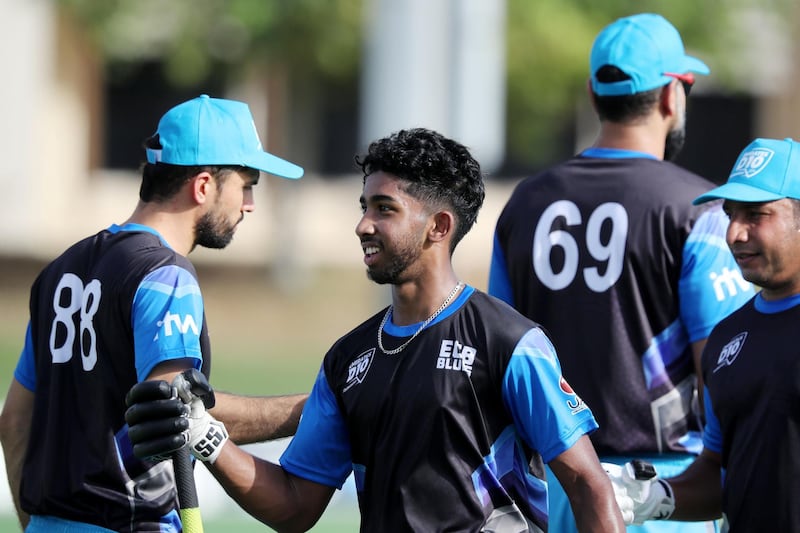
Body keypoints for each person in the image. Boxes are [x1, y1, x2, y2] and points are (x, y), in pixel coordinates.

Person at [123, 127, 626, 532]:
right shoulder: (347, 360)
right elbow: (296, 505)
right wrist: (206, 435)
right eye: (363, 207)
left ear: (439, 227)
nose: (363, 224)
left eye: (384, 209)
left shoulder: (509, 342)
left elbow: (587, 486)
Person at [488, 13, 754, 533]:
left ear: (593, 93)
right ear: (672, 96)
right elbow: (728, 372)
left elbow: (504, 358)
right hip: (663, 494)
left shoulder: (525, 203)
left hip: (554, 494)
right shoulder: (699, 210)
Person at [0, 94, 309, 533]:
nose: (250, 204)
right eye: (246, 184)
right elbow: (173, 415)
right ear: (204, 186)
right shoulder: (166, 274)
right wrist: (314, 410)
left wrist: (39, 522)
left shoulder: (59, 270)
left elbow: (14, 420)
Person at [605, 137, 800, 531]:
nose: (733, 234)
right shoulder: (728, 339)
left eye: (756, 215)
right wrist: (658, 497)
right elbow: (718, 468)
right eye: (730, 214)